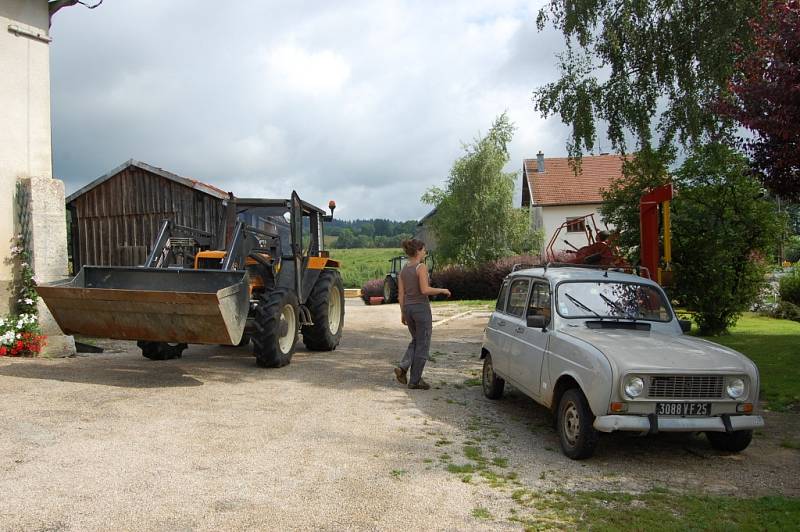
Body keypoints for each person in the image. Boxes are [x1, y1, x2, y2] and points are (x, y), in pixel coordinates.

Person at [393, 239, 450, 390]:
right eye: (424, 249)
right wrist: (442, 290)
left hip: (408, 309)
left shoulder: (403, 270)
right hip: (420, 309)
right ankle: (415, 380)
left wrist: (403, 313)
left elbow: (401, 295)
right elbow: (425, 290)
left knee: (417, 340)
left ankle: (403, 367)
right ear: (418, 251)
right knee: (423, 344)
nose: (425, 252)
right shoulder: (421, 267)